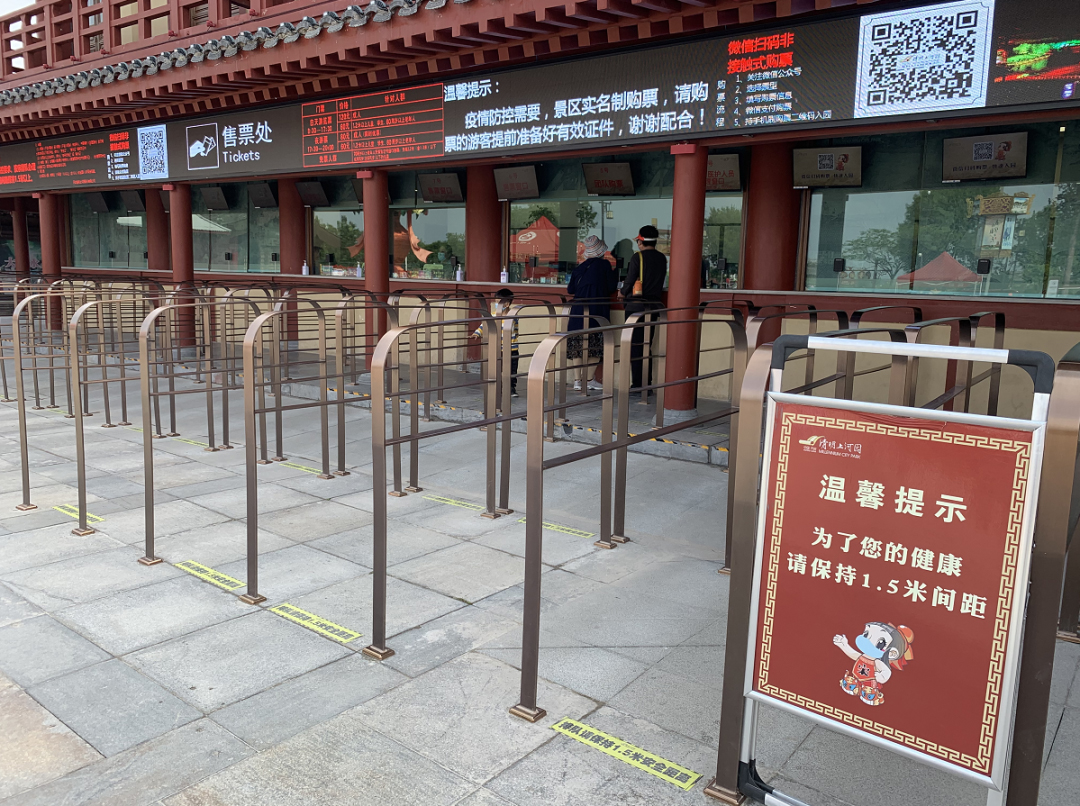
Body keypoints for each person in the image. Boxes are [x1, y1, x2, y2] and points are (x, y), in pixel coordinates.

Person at [567, 235, 617, 391]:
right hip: (597, 309)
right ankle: (589, 380)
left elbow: (570, 289)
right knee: (595, 344)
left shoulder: (580, 267)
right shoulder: (605, 265)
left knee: (577, 344)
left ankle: (577, 381)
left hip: (577, 310)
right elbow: (611, 287)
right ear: (601, 251)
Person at [620, 225, 667, 392]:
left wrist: (622, 292)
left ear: (640, 242)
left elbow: (630, 280)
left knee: (635, 345)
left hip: (636, 306)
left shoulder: (637, 257)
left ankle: (638, 385)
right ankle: (648, 384)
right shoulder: (662, 258)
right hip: (654, 306)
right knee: (647, 344)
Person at [471, 288, 520, 397]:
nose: (497, 305)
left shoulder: (513, 316)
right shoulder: (493, 316)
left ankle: (511, 388)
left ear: (507, 304)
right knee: (498, 368)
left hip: (512, 348)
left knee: (512, 370)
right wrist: (477, 333)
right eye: (496, 302)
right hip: (499, 348)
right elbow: (484, 325)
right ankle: (498, 387)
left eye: (499, 303)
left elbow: (515, 329)